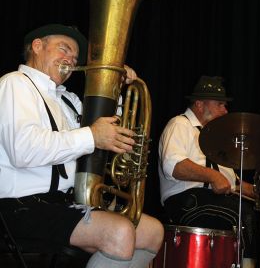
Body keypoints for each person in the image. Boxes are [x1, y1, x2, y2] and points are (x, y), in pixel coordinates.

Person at [0, 23, 164, 268]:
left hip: (61, 204)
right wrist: (91, 136)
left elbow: (107, 128)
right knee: (119, 233)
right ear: (37, 46)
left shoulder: (68, 98)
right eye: (64, 49)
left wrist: (118, 88)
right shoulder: (15, 83)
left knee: (153, 233)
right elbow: (23, 150)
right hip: (19, 206)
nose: (70, 60)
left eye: (75, 57)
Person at [158, 75, 259, 268]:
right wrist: (214, 176)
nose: (225, 110)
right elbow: (173, 165)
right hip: (186, 201)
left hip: (210, 199)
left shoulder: (213, 139)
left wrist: (258, 193)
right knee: (243, 215)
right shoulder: (180, 125)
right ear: (199, 104)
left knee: (251, 213)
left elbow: (232, 182)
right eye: (220, 104)